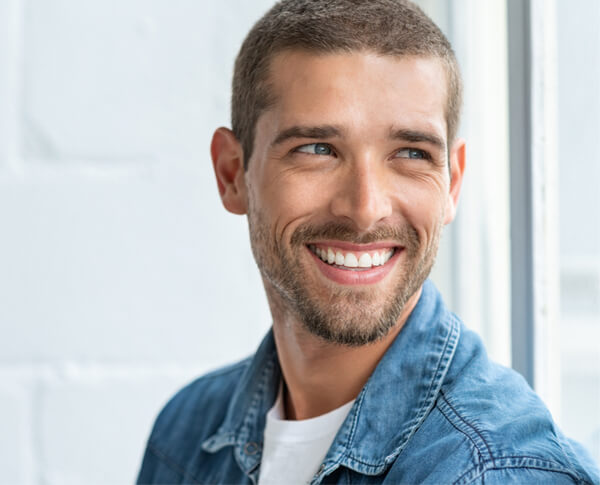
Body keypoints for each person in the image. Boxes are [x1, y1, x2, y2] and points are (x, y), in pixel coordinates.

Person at [137, 1, 599, 483]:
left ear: (451, 185)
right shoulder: (185, 436)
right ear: (233, 174)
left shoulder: (492, 472)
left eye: (410, 153)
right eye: (317, 150)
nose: (364, 208)